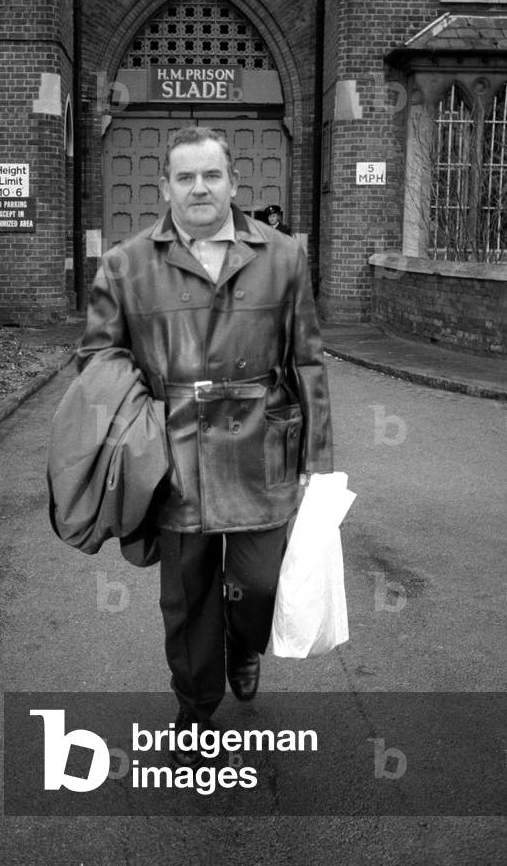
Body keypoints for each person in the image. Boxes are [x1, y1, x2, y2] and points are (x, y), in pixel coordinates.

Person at [77, 126, 333, 766]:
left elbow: (307, 360)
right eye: (185, 177)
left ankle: (245, 644)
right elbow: (98, 357)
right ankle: (195, 707)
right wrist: (135, 423)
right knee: (187, 600)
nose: (199, 188)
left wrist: (319, 461)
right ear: (165, 186)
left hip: (262, 452)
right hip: (175, 455)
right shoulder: (126, 263)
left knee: (260, 584)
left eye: (211, 175)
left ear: (233, 183)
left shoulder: (283, 256)